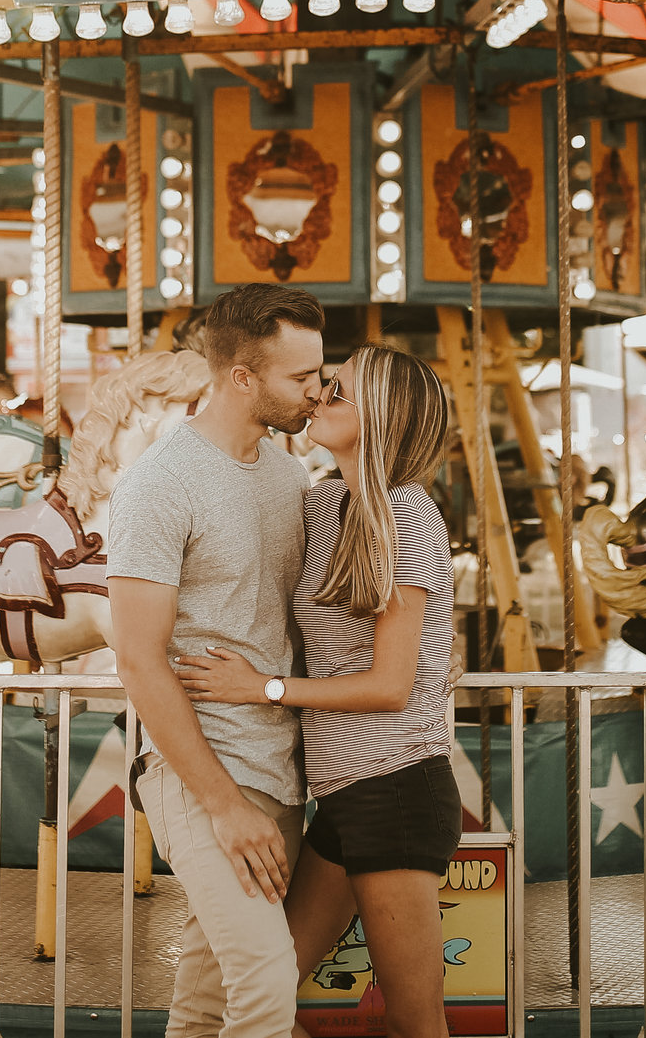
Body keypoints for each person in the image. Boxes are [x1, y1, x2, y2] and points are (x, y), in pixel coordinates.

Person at [178, 344, 461, 1038]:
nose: (319, 398)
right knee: (269, 991)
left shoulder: (407, 515)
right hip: (342, 796)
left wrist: (262, 688)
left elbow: (391, 685)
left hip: (397, 786)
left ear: (380, 414)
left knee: (416, 1023)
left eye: (337, 391)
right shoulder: (328, 500)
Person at [107, 284, 325, 1038]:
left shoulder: (288, 474)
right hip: (202, 773)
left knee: (205, 999)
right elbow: (137, 658)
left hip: (279, 765)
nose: (318, 391)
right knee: (267, 984)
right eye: (301, 377)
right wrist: (225, 804)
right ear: (242, 376)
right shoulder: (159, 484)